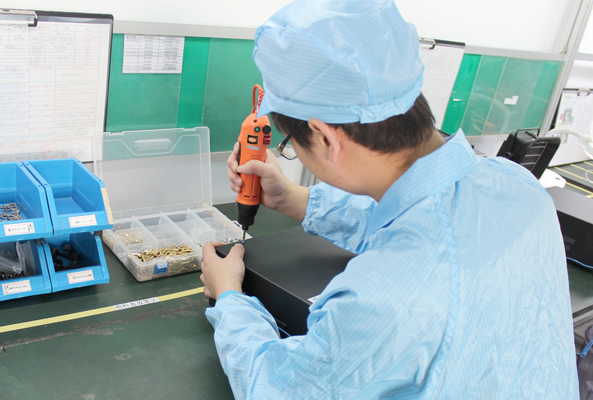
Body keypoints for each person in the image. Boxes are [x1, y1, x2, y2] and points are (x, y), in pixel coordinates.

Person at [200, 0, 579, 398]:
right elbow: (421, 220)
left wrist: (229, 298)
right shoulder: (517, 183)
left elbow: (274, 387)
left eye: (289, 142)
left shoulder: (379, 298)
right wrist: (296, 199)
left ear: (326, 138)